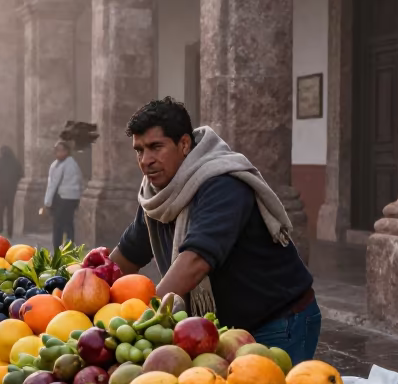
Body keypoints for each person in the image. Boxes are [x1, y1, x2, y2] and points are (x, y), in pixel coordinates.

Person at [110, 97, 320, 365]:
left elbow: (196, 259)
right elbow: (128, 253)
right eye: (139, 150)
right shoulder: (158, 194)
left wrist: (146, 319)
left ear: (184, 144)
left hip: (279, 322)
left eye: (155, 147)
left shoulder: (222, 183)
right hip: (226, 327)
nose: (145, 160)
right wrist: (89, 292)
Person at [44, 141, 84, 251]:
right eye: (56, 150)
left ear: (67, 151)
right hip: (72, 198)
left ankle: (58, 249)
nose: (58, 153)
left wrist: (47, 202)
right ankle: (69, 248)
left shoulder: (62, 165)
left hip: (63, 198)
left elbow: (53, 184)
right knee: (68, 225)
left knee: (58, 226)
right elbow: (80, 182)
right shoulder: (72, 164)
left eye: (61, 150)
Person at [0, 145, 23, 237]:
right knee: (10, 211)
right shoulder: (16, 162)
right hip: (11, 190)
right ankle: (9, 231)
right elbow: (21, 174)